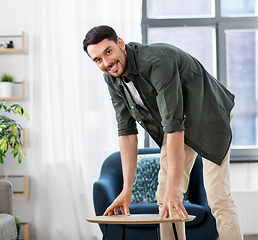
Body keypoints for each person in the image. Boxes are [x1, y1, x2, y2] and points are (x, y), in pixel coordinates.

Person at [83, 25, 243, 240]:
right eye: (97, 60)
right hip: (178, 124)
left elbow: (173, 126)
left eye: (108, 51)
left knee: (217, 197)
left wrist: (174, 189)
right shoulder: (112, 77)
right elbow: (127, 132)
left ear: (120, 43)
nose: (106, 62)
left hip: (209, 116)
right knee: (164, 197)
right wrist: (126, 190)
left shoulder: (157, 61)